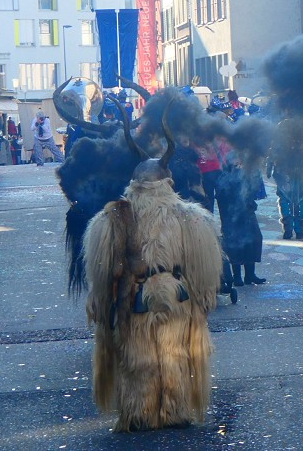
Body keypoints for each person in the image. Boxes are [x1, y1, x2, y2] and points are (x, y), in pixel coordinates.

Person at [82, 133, 222, 431]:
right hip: (176, 294)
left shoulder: (109, 220)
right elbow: (205, 269)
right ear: (167, 182)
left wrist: (100, 301)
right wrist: (204, 297)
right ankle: (175, 409)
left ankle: (139, 412)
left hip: (133, 297)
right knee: (175, 353)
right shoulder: (191, 217)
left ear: (135, 184)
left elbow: (100, 272)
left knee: (138, 357)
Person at [215, 151, 266, 286]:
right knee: (235, 245)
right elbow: (223, 196)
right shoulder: (224, 175)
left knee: (254, 240)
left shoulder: (247, 173)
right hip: (232, 217)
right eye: (236, 160)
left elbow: (253, 191)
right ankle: (237, 276)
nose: (239, 163)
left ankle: (250, 275)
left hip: (247, 214)